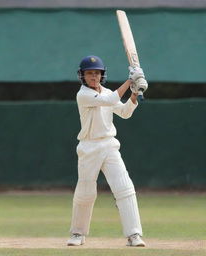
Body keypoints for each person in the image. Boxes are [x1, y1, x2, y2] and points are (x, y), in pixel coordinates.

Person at [67, 55, 148, 247]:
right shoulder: (83, 94)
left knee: (125, 188)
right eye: (89, 74)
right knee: (86, 191)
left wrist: (134, 93)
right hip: (89, 147)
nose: (93, 77)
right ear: (83, 76)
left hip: (109, 145)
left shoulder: (107, 91)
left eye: (96, 73)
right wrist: (130, 80)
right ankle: (77, 234)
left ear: (102, 75)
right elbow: (110, 99)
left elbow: (125, 113)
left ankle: (134, 235)